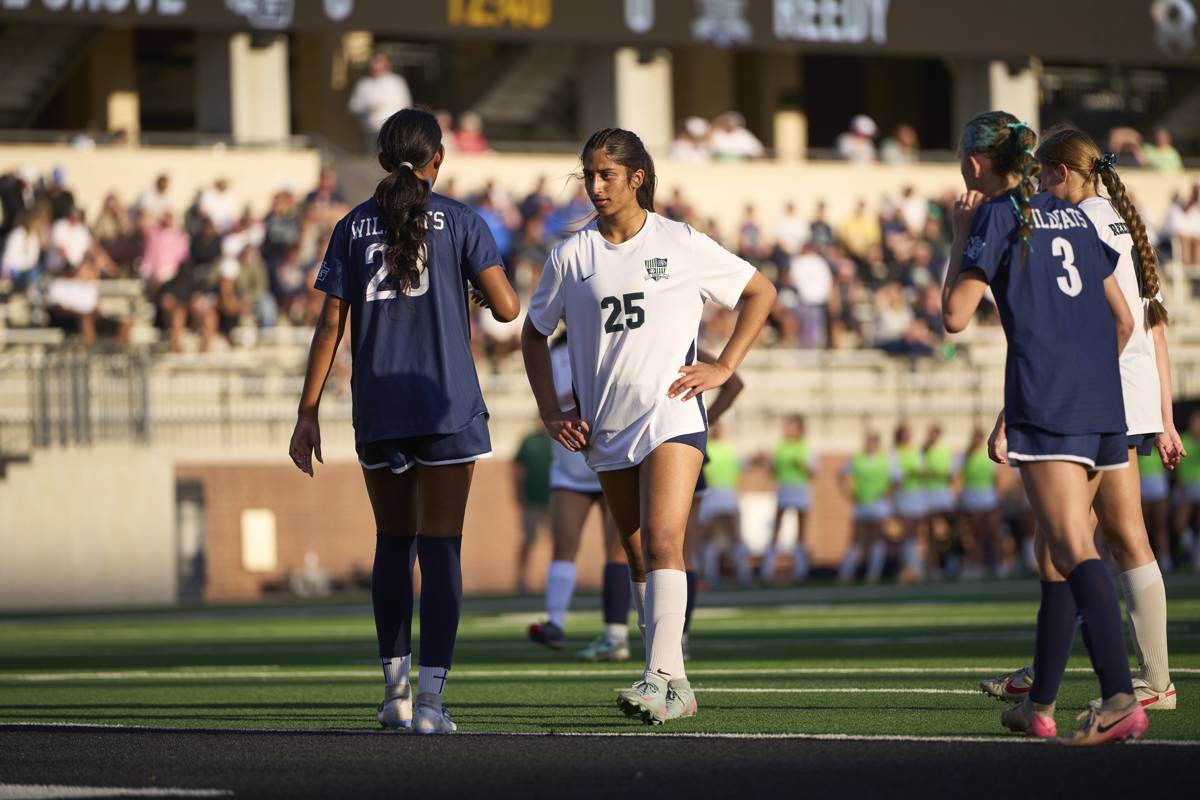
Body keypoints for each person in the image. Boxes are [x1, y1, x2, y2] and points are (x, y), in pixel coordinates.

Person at [521, 127, 775, 725]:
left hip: (672, 414)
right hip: (605, 428)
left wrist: (724, 365)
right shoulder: (571, 254)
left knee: (664, 540)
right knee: (638, 559)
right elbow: (533, 334)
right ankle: (672, 677)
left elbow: (760, 292)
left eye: (607, 174)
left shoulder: (680, 242)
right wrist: (550, 411)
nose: (595, 185)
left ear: (637, 179)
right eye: (588, 173)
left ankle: (662, 675)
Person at [288, 108, 519, 735]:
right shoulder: (463, 221)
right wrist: (468, 288)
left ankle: (393, 694)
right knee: (441, 548)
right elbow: (506, 308)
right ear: (437, 158)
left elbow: (330, 325)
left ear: (384, 158)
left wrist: (307, 412)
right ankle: (433, 706)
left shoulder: (350, 225)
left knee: (393, 543)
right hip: (446, 404)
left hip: (380, 407)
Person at [941, 111, 1146, 744]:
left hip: (1050, 404)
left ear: (975, 165)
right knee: (1057, 555)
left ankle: (1118, 695)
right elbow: (1123, 322)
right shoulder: (1077, 217)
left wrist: (959, 234)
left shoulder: (999, 215)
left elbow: (954, 317)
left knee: (1074, 548)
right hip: (1102, 404)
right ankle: (1041, 706)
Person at [979, 126, 1184, 720]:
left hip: (1093, 396)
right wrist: (1164, 417)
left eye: (1043, 175)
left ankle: (1083, 684)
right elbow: (1155, 328)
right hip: (1128, 395)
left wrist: (1008, 413)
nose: (1039, 187)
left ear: (1062, 173)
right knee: (1112, 536)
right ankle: (1136, 678)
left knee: (1067, 542)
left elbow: (1066, 330)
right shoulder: (1119, 218)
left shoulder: (1075, 222)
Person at [527, 332, 634, 662]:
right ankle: (555, 622)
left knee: (619, 549)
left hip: (612, 451)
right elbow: (555, 401)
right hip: (571, 461)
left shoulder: (614, 338)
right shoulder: (554, 350)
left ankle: (616, 634)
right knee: (563, 542)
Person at [762, 415, 817, 584]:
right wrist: (772, 466)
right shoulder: (781, 446)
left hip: (799, 489)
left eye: (792, 426)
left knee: (801, 532)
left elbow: (813, 471)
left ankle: (800, 571)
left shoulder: (805, 446)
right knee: (777, 529)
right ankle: (767, 570)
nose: (788, 429)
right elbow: (772, 469)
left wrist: (801, 465)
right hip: (784, 489)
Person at [837, 431, 891, 585]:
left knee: (877, 538)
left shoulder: (884, 460)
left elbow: (896, 480)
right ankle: (846, 573)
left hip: (879, 505)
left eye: (872, 442)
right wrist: (849, 494)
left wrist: (886, 494)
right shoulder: (857, 459)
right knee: (857, 538)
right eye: (868, 442)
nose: (869, 445)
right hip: (862, 504)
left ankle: (874, 573)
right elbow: (840, 476)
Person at [512, 422, 554, 596]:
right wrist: (518, 493)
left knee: (561, 541)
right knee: (528, 541)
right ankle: (521, 580)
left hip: (555, 501)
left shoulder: (557, 441)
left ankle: (558, 580)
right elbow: (517, 469)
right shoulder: (528, 441)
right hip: (532, 502)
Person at [956, 428, 1002, 577]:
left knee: (992, 532)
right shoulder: (965, 456)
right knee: (975, 535)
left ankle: (998, 565)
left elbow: (996, 478)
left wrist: (997, 496)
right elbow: (958, 478)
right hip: (972, 498)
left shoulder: (987, 454)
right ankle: (977, 565)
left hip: (988, 498)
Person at [348, 53, 413, 154]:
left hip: (391, 131)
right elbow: (353, 106)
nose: (376, 69)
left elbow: (406, 105)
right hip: (369, 132)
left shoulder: (397, 82)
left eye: (379, 66)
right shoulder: (363, 84)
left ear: (386, 66)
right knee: (369, 162)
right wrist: (367, 107)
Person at [891, 423, 928, 583]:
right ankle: (909, 567)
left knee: (914, 532)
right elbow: (895, 476)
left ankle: (916, 568)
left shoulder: (915, 451)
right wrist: (910, 473)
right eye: (905, 434)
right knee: (906, 532)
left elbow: (923, 470)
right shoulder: (894, 453)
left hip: (916, 495)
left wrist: (916, 473)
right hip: (903, 496)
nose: (907, 437)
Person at [922, 424, 957, 578]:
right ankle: (933, 565)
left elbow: (950, 476)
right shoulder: (923, 451)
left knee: (950, 529)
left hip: (943, 495)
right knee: (930, 532)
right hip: (929, 495)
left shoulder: (945, 451)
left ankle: (950, 560)